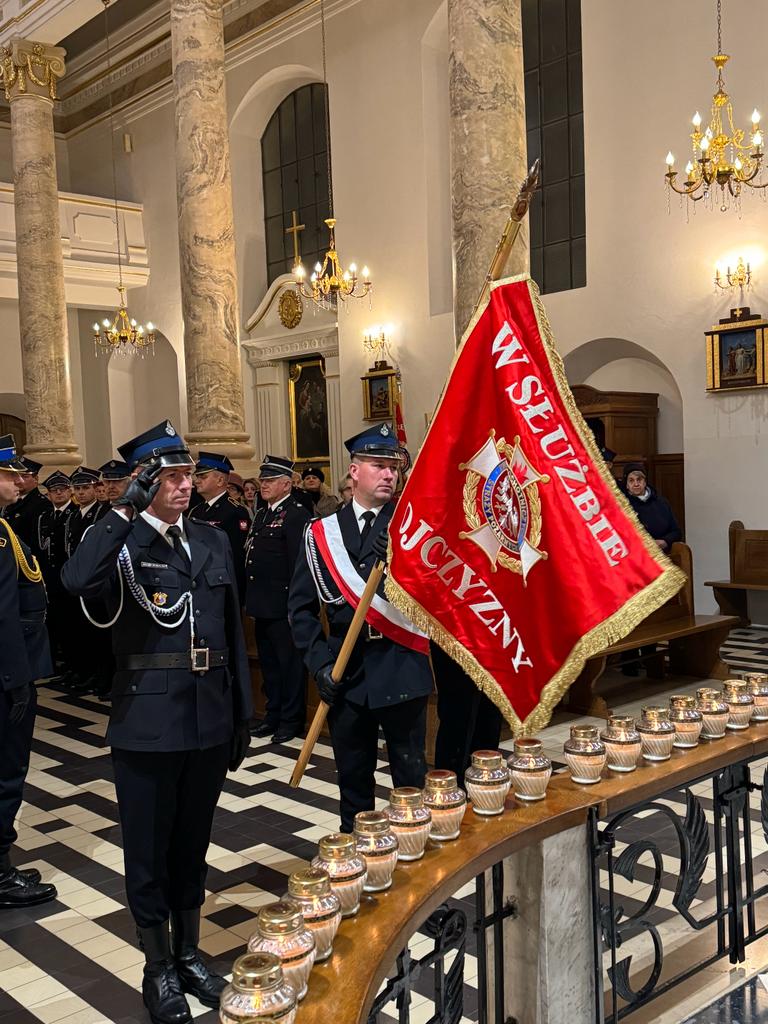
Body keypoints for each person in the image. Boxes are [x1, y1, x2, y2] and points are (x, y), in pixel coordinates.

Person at [62, 421, 252, 1024]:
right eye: (169, 477)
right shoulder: (120, 541)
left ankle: (189, 954)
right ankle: (157, 966)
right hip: (147, 720)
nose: (183, 485)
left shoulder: (211, 540)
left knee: (192, 845)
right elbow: (76, 580)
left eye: (186, 474)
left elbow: (230, 628)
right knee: (147, 850)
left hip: (207, 718)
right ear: (144, 482)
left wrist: (241, 715)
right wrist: (124, 511)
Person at [288, 423, 433, 832]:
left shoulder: (412, 527)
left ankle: (416, 859)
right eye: (378, 465)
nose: (389, 474)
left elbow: (437, 598)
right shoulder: (322, 533)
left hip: (401, 664)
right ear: (354, 471)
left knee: (411, 781)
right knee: (353, 782)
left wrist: (406, 564)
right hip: (346, 673)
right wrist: (320, 665)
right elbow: (300, 609)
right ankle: (360, 860)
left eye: (394, 467)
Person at [0, 435, 58, 908]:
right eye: (8, 474)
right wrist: (16, 681)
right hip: (5, 677)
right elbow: (3, 614)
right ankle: (0, 874)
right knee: (6, 772)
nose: (19, 481)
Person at [245, 456, 311, 743]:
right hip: (262, 604)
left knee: (289, 667)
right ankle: (272, 715)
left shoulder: (295, 515)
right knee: (270, 667)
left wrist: (295, 606)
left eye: (270, 480)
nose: (264, 485)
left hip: (283, 606)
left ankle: (291, 720)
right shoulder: (262, 514)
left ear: (287, 484)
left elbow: (298, 564)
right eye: (263, 480)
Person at [189, 452, 251, 602]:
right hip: (199, 582)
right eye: (197, 477)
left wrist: (236, 594)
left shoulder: (235, 511)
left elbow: (237, 556)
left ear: (220, 480)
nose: (197, 481)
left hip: (222, 585)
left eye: (203, 477)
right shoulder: (196, 510)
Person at [36, 472, 77, 685]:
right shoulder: (45, 516)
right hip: (50, 579)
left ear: (70, 491)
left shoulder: (74, 513)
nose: (59, 493)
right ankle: (65, 667)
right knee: (56, 626)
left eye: (62, 489)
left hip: (67, 577)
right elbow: (41, 549)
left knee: (72, 627)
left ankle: (77, 667)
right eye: (54, 490)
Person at [622, 463, 682, 551]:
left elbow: (676, 532)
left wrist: (665, 541)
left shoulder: (661, 503)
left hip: (662, 553)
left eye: (639, 479)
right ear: (627, 485)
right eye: (631, 481)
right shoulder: (622, 506)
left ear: (645, 482)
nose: (636, 484)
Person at [0, 456, 49, 546]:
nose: (20, 481)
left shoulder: (43, 504)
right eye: (14, 475)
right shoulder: (8, 501)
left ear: (36, 479)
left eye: (25, 476)